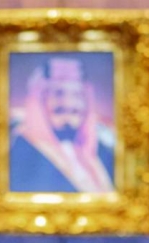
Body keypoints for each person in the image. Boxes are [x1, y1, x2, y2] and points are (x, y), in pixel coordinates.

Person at [9, 57, 115, 194]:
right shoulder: (20, 153)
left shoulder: (103, 150)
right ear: (39, 101)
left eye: (77, 94)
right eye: (58, 93)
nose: (69, 103)